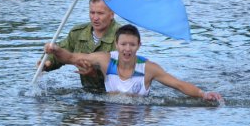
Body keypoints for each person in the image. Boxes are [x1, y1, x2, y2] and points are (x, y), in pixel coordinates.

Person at [45, 24, 222, 102]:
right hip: (110, 113)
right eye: (123, 44)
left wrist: (202, 94)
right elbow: (72, 58)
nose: (127, 49)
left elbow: (178, 85)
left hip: (139, 113)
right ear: (116, 45)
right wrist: (55, 50)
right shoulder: (105, 60)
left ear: (138, 46)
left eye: (132, 45)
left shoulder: (149, 69)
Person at [42, 0, 121, 92]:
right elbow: (62, 50)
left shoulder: (122, 37)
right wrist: (47, 63)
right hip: (87, 93)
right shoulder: (78, 33)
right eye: (92, 13)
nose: (95, 18)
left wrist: (94, 74)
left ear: (112, 14)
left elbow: (122, 75)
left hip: (113, 96)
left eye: (100, 13)